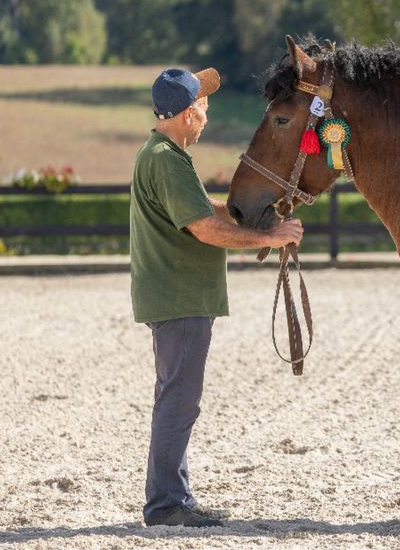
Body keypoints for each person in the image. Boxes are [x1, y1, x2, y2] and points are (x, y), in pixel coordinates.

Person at [130, 67, 304, 528]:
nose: (207, 113)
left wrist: (263, 222)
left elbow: (206, 212)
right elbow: (204, 228)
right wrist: (271, 238)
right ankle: (166, 504)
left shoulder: (164, 154)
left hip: (176, 296)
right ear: (188, 113)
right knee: (180, 400)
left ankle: (173, 497)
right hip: (181, 297)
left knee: (176, 397)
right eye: (203, 105)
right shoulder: (167, 160)